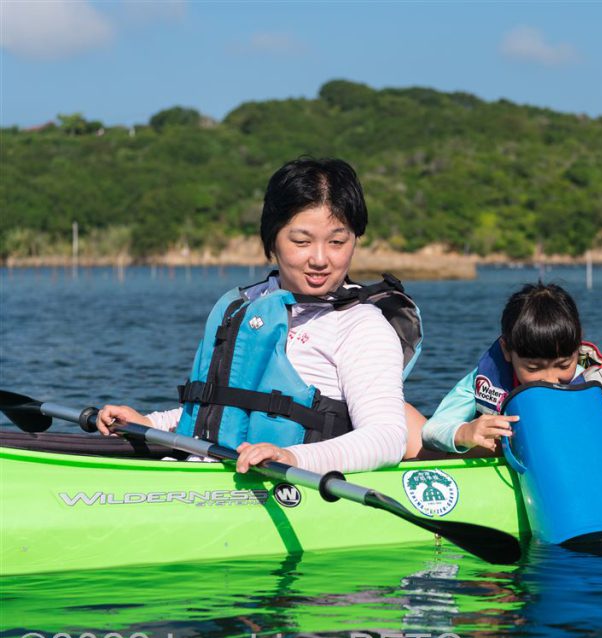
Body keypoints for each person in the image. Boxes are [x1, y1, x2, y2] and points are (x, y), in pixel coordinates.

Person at [97, 157, 416, 474]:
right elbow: (224, 409)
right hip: (205, 472)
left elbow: (386, 439)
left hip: (289, 485)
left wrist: (292, 458)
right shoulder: (249, 304)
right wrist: (150, 423)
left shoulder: (361, 326)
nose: (320, 259)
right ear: (272, 238)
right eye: (301, 242)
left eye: (337, 242)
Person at [422, 282, 602, 466]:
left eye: (563, 364)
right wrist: (463, 433)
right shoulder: (487, 378)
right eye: (533, 368)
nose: (550, 379)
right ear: (507, 351)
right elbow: (433, 429)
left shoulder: (588, 386)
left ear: (577, 349)